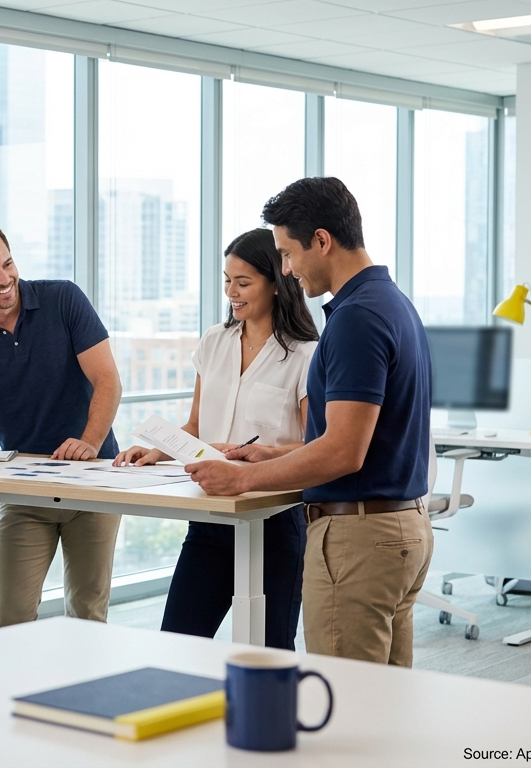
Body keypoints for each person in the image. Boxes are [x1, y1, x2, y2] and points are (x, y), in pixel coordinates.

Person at [186, 177, 432, 667]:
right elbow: (363, 438)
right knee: (385, 699)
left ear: (321, 240)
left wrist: (243, 477)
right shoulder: (391, 303)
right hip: (401, 527)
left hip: (359, 538)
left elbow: (343, 451)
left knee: (346, 698)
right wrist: (273, 453)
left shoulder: (357, 318)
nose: (287, 269)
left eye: (287, 253)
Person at [115, 229, 317, 649]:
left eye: (243, 283)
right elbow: (195, 426)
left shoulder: (304, 353)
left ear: (276, 284)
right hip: (211, 519)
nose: (231, 293)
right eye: (227, 281)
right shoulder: (214, 341)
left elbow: (314, 445)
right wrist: (155, 450)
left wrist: (261, 454)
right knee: (178, 642)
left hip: (275, 521)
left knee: (270, 651)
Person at [0, 220, 123, 627]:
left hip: (93, 479)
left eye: (8, 264)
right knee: (11, 616)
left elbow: (108, 380)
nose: (5, 279)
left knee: (88, 613)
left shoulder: (64, 299)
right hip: (25, 489)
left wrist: (90, 441)